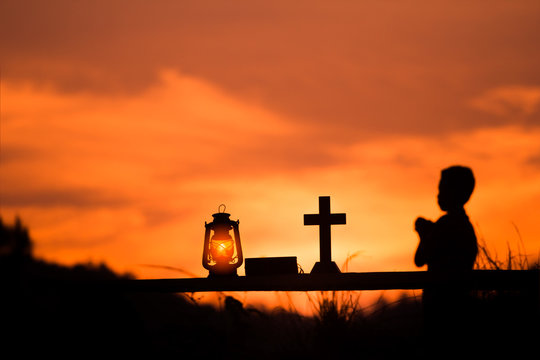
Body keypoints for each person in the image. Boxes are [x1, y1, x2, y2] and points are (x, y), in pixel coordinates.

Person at [414, 165, 478, 355]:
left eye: (442, 189)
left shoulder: (446, 225)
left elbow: (420, 259)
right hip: (459, 305)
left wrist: (424, 234)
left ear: (456, 192)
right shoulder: (465, 226)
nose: (438, 194)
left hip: (441, 306)